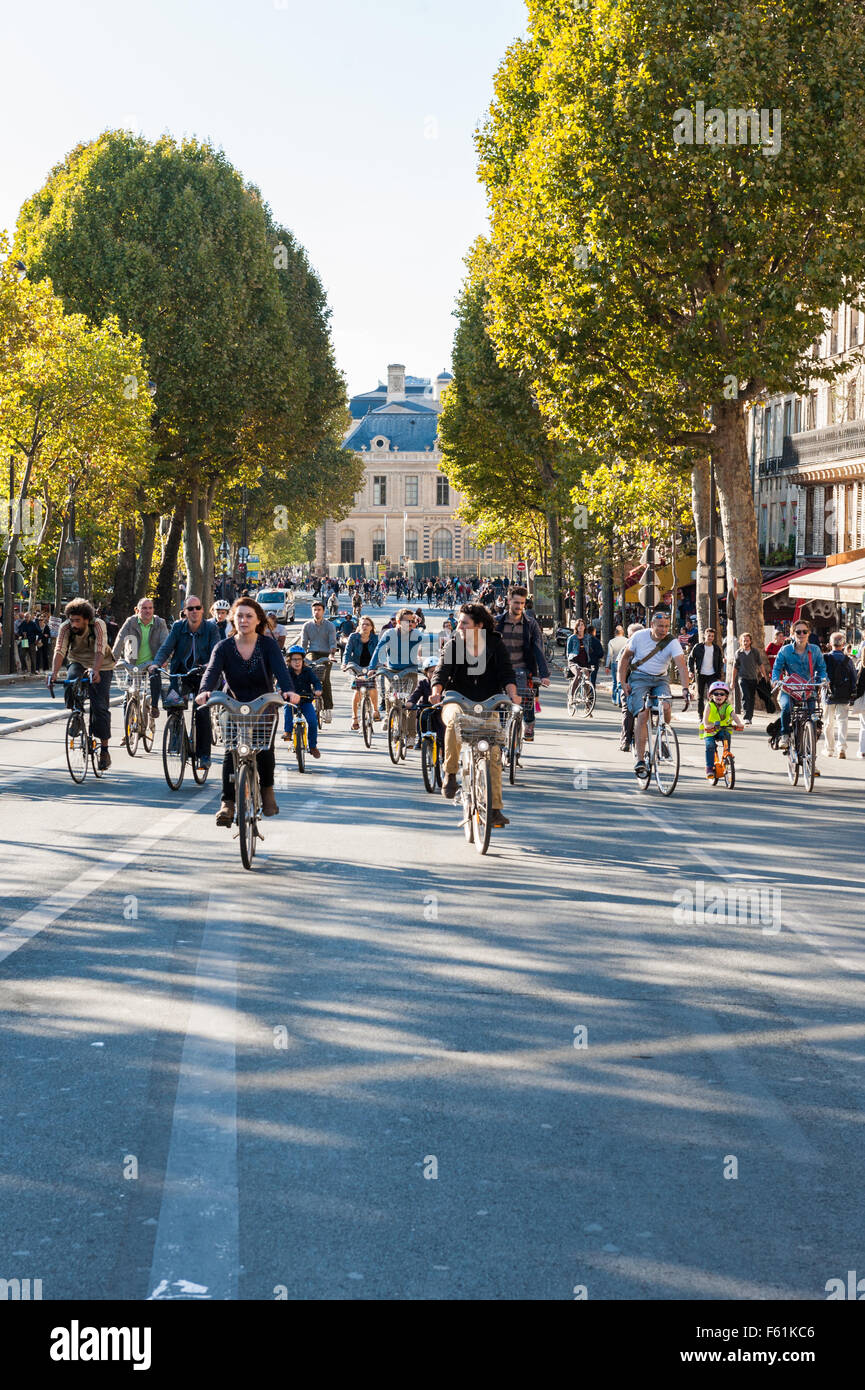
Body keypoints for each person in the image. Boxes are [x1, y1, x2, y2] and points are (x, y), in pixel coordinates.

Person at [198, 597, 300, 823]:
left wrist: (288, 691)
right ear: (233, 619)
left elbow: (282, 673)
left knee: (264, 749)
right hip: (232, 703)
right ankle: (227, 803)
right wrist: (205, 691)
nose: (243, 620)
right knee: (230, 750)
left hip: (263, 704)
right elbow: (212, 671)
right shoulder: (223, 647)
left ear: (258, 620)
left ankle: (267, 792)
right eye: (240, 616)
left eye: (249, 616)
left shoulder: (268, 645)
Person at [431, 603, 519, 828]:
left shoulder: (495, 644)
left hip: (487, 703)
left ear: (479, 625)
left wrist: (513, 695)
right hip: (456, 700)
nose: (458, 625)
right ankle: (450, 774)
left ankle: (495, 809)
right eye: (459, 622)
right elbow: (442, 671)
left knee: (494, 753)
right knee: (454, 722)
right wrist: (436, 692)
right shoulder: (454, 644)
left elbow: (507, 672)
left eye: (464, 623)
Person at [148, 594, 221, 768]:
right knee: (173, 703)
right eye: (190, 609)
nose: (194, 611)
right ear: (185, 612)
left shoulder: (211, 629)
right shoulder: (178, 627)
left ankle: (204, 755)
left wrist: (208, 665)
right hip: (181, 674)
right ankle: (176, 738)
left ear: (203, 610)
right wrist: (156, 663)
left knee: (201, 710)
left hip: (204, 675)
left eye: (197, 608)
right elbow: (166, 647)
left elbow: (216, 651)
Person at [618, 610, 691, 778]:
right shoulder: (639, 637)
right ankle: (640, 760)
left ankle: (662, 732)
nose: (663, 630)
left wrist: (685, 689)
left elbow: (681, 665)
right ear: (652, 625)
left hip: (660, 679)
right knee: (643, 714)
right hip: (639, 678)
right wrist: (622, 682)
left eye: (666, 626)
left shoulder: (672, 641)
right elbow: (625, 659)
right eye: (660, 626)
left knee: (666, 706)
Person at [48, 598, 117, 769]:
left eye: (78, 621)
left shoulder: (98, 625)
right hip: (77, 661)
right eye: (72, 620)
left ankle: (105, 751)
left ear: (87, 619)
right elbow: (60, 650)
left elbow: (100, 649)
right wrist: (54, 673)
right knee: (70, 681)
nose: (74, 624)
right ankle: (77, 714)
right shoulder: (66, 627)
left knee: (99, 706)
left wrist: (96, 670)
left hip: (102, 664)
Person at [494, 585, 549, 743]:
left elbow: (539, 649)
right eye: (516, 603)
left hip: (522, 669)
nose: (519, 607)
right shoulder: (497, 623)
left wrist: (544, 675)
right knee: (499, 704)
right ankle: (500, 733)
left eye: (522, 603)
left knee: (526, 696)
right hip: (500, 669)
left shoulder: (531, 624)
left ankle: (529, 724)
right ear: (509, 601)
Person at [771, 618, 828, 752]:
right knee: (786, 707)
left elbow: (821, 668)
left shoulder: (815, 650)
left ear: (809, 634)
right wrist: (775, 679)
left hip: (808, 689)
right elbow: (777, 668)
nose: (801, 635)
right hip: (789, 689)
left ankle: (811, 757)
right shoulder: (785, 651)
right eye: (798, 632)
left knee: (813, 720)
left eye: (804, 632)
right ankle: (785, 734)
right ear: (792, 634)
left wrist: (824, 679)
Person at [112, 597, 170, 678]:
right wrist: (113, 659)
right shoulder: (131, 621)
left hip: (153, 663)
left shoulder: (160, 622)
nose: (148, 611)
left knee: (156, 688)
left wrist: (164, 659)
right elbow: (120, 639)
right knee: (133, 689)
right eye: (144, 608)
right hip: (133, 664)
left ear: (153, 609)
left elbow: (166, 642)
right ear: (138, 610)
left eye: (150, 608)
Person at [281, 645, 322, 758]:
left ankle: (313, 746)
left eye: (299, 659)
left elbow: (316, 682)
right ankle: (288, 732)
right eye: (294, 659)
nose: (297, 662)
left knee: (313, 721)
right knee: (287, 709)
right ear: (289, 661)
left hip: (305, 701)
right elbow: (279, 683)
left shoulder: (308, 671)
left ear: (303, 660)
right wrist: (280, 690)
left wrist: (318, 689)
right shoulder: (286, 672)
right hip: (291, 701)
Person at [300, 600, 337, 721]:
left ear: (324, 611)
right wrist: (301, 656)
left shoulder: (329, 625)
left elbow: (333, 642)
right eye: (314, 610)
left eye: (319, 610)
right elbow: (304, 644)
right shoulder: (307, 625)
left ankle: (327, 708)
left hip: (326, 654)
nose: (316, 612)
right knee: (308, 677)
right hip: (312, 653)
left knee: (325, 680)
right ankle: (306, 706)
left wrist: (332, 654)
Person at [822, 630, 857, 758]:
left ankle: (829, 749)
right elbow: (854, 677)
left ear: (831, 643)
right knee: (842, 721)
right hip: (843, 695)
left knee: (828, 723)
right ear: (843, 644)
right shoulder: (848, 660)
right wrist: (852, 692)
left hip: (828, 694)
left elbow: (820, 675)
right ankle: (841, 748)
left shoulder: (825, 658)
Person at [700, 679, 744, 779]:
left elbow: (733, 715)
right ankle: (709, 768)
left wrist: (739, 723)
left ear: (726, 696)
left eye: (722, 694)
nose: (719, 696)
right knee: (710, 745)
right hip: (710, 730)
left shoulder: (727, 706)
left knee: (727, 736)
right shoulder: (709, 705)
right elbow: (705, 719)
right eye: (716, 694)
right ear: (711, 695)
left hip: (722, 729)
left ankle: (726, 755)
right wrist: (707, 725)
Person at [343, 615, 382, 727]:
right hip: (357, 667)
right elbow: (347, 651)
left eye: (367, 624)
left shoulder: (375, 638)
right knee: (358, 691)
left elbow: (379, 652)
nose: (364, 626)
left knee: (372, 687)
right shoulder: (353, 637)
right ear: (359, 626)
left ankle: (375, 710)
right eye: (362, 624)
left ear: (371, 627)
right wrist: (345, 664)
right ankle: (354, 718)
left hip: (371, 666)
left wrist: (380, 665)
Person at [407, 655, 445, 751]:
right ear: (426, 673)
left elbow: (449, 694)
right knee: (421, 718)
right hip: (426, 709)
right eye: (431, 672)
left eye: (436, 671)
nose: (434, 674)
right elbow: (416, 694)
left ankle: (444, 752)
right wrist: (411, 702)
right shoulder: (423, 683)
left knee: (442, 731)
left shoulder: (444, 683)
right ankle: (421, 739)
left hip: (440, 710)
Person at [732, 632, 766, 727]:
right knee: (745, 696)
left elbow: (760, 664)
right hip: (742, 678)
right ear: (741, 642)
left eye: (747, 640)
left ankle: (750, 717)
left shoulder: (755, 652)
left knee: (751, 698)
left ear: (750, 641)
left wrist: (764, 675)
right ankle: (746, 717)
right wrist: (732, 681)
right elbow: (735, 668)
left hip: (753, 678)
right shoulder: (738, 653)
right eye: (744, 641)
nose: (745, 642)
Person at [689, 627, 723, 717]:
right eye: (709, 635)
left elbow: (720, 663)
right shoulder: (698, 647)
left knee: (713, 695)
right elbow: (691, 659)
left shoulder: (716, 648)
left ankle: (710, 714)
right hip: (700, 674)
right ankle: (701, 715)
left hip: (712, 675)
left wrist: (719, 677)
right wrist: (691, 671)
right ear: (705, 636)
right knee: (700, 696)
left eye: (712, 636)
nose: (710, 637)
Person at [606, 624, 628, 706]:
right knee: (622, 681)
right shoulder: (627, 640)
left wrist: (607, 666)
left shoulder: (611, 641)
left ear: (615, 633)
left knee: (615, 682)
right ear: (623, 632)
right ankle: (621, 699)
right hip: (624, 663)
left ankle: (615, 698)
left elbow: (610, 655)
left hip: (614, 663)